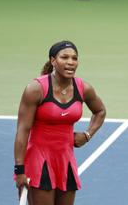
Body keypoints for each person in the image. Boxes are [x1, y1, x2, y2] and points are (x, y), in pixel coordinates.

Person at [14, 40, 106, 205]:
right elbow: (22, 130)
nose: (71, 62)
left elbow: (100, 111)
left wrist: (87, 134)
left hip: (66, 161)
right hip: (39, 161)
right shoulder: (35, 89)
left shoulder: (83, 88)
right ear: (53, 61)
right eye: (64, 57)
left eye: (74, 58)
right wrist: (19, 170)